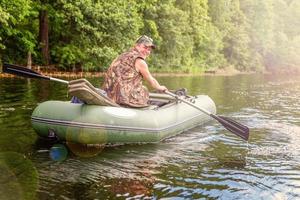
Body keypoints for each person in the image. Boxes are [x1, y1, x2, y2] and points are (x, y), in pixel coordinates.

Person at [102, 35, 168, 107]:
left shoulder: (122, 55)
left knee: (142, 88)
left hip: (109, 96)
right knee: (144, 90)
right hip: (124, 100)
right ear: (136, 46)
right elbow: (151, 81)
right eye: (145, 47)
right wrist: (159, 87)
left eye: (149, 49)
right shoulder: (139, 61)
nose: (147, 51)